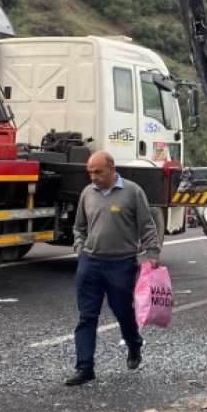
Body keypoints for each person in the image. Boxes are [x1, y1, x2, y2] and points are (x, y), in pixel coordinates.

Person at [65, 151, 161, 386]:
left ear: (112, 169)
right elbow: (79, 227)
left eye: (98, 172)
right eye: (90, 172)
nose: (93, 177)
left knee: (122, 312)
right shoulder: (88, 193)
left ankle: (134, 345)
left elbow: (147, 226)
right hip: (90, 263)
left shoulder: (132, 192)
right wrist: (80, 248)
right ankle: (84, 367)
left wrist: (152, 254)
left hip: (121, 264)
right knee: (87, 316)